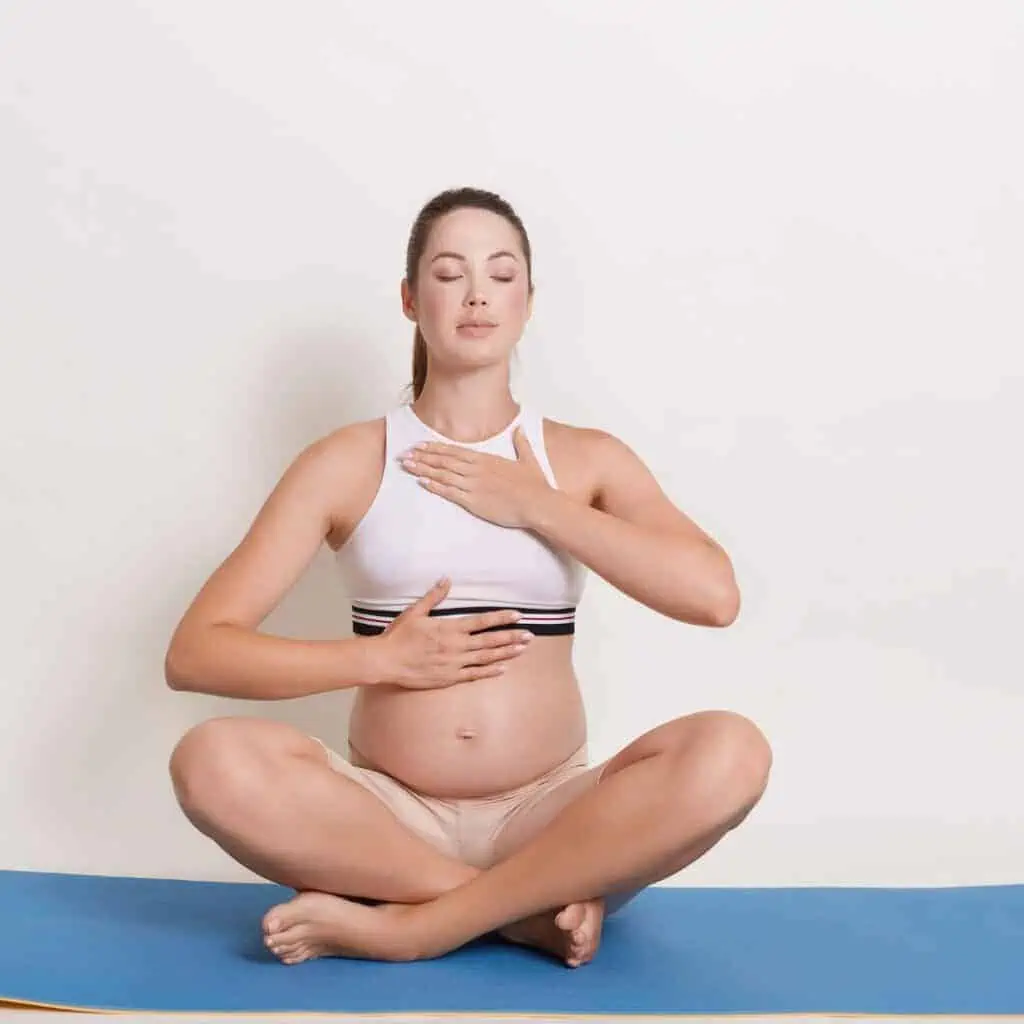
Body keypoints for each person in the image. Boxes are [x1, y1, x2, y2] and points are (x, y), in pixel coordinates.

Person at [165, 186, 773, 968]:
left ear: (527, 300)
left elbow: (713, 595)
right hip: (389, 819)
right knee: (210, 760)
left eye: (501, 273)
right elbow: (197, 653)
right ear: (412, 299)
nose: (478, 293)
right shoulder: (348, 461)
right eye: (450, 274)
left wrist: (540, 508)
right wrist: (378, 660)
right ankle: (514, 913)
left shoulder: (584, 460)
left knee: (732, 751)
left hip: (550, 817)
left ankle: (415, 926)